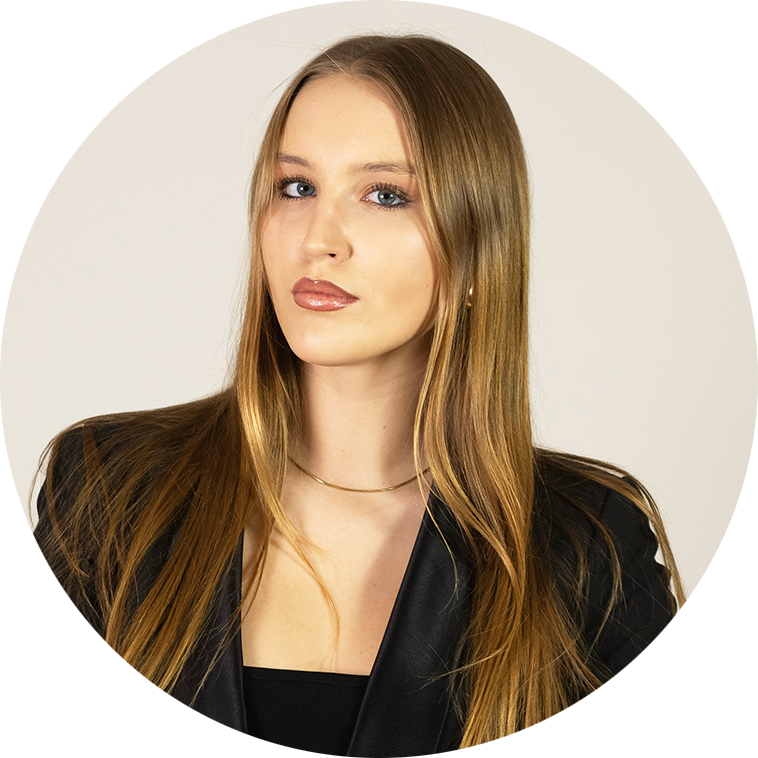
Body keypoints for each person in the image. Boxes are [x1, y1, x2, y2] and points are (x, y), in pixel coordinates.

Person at [15, 34, 688, 758]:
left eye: (385, 195)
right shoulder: (112, 491)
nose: (319, 239)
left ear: (476, 251)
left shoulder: (579, 540)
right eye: (296, 188)